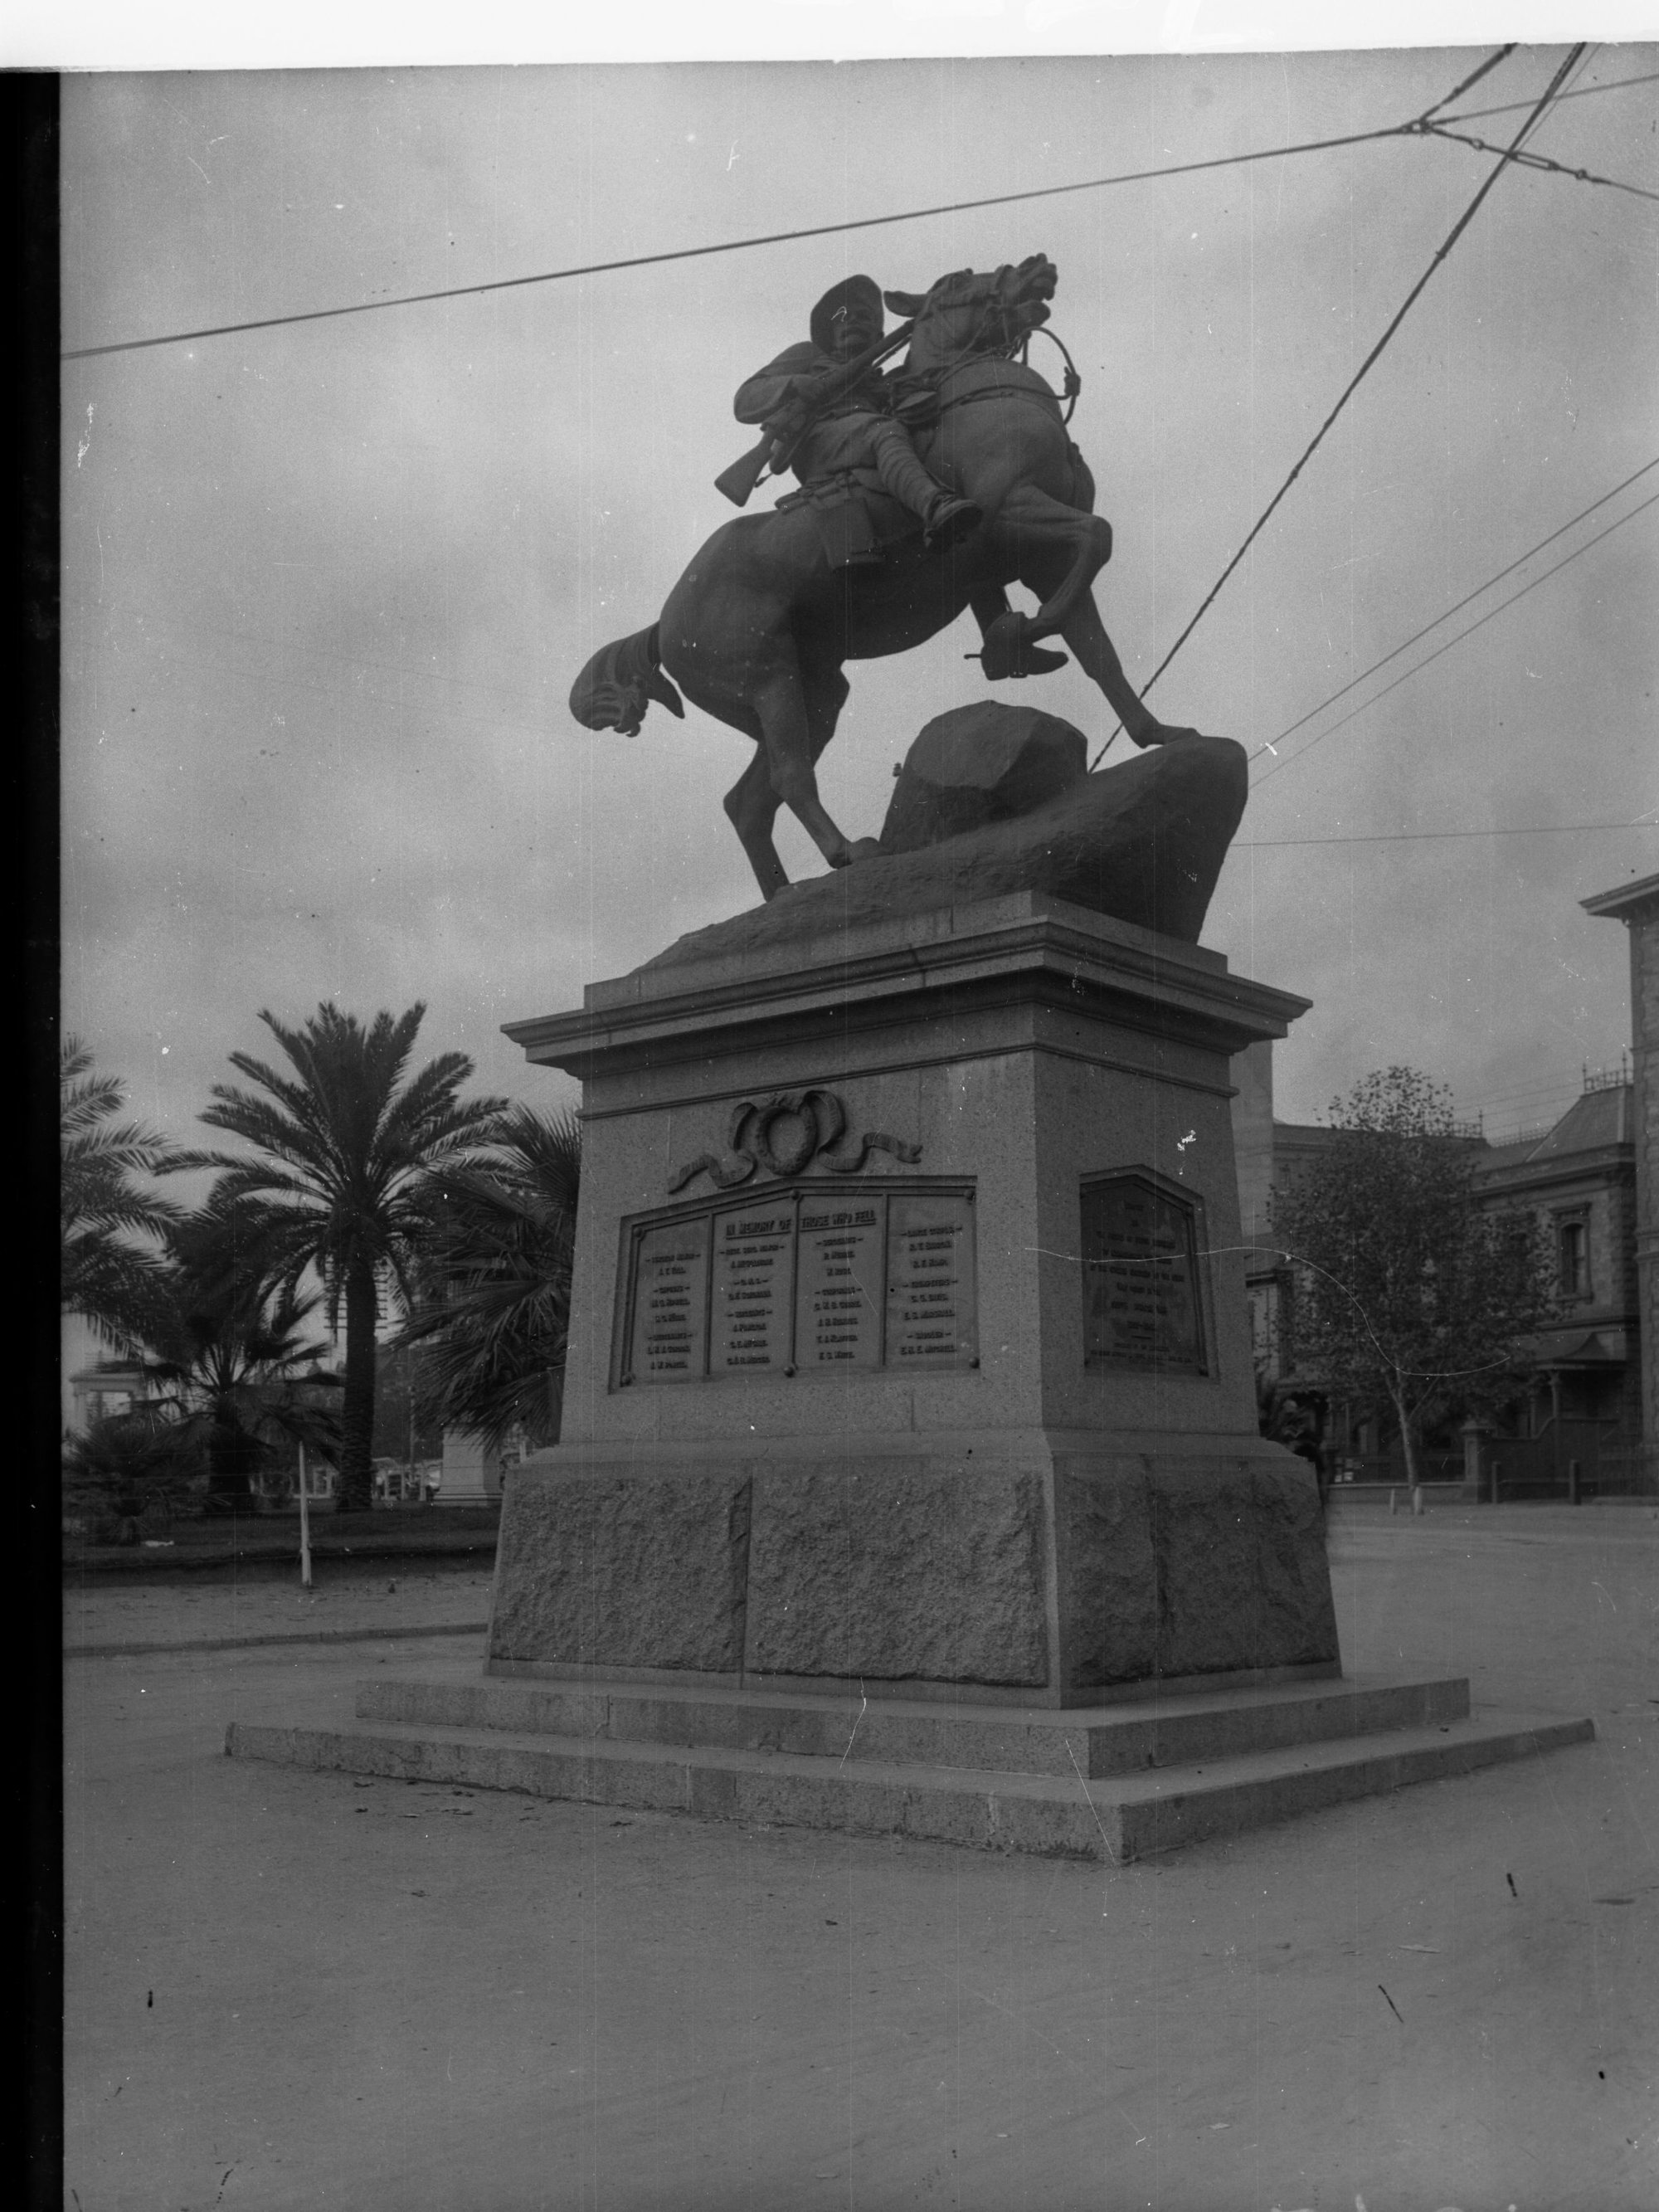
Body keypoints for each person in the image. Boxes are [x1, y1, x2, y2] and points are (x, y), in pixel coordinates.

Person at [733, 274, 982, 559]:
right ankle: (935, 506)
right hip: (820, 443)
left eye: (864, 316)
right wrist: (794, 384)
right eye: (843, 317)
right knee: (882, 431)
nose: (852, 320)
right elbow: (745, 400)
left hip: (862, 443)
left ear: (878, 337)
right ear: (831, 332)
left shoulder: (882, 380)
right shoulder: (807, 355)